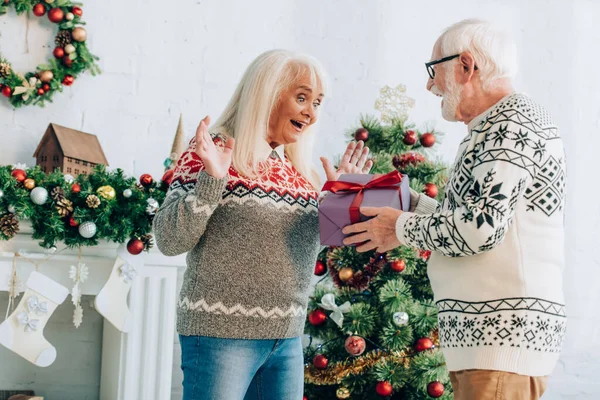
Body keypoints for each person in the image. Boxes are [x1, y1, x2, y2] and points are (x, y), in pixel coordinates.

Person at [342, 19, 566, 400]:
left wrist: (400, 227)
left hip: (501, 344)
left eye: (434, 70)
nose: (430, 85)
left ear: (466, 66)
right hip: (491, 345)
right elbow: (470, 218)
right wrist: (405, 201)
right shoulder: (493, 127)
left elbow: (479, 230)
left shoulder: (509, 127)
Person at [153, 49, 373, 400]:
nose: (311, 113)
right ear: (266, 94)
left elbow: (306, 253)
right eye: (301, 98)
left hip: (285, 338)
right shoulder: (211, 152)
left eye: (317, 102)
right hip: (220, 335)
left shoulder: (300, 174)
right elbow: (169, 240)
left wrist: (340, 199)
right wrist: (212, 180)